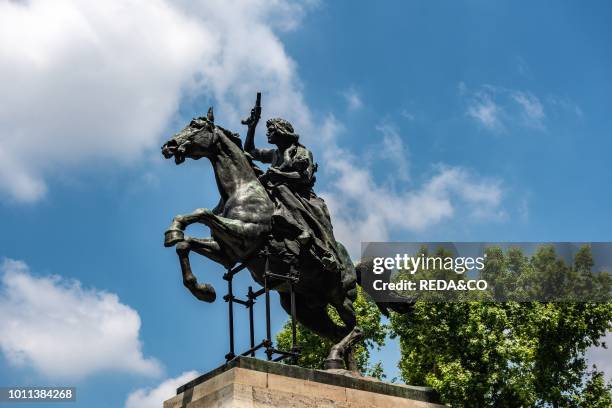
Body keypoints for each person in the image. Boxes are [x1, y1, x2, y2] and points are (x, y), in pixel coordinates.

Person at [242, 105, 341, 276]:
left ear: (281, 132)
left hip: (300, 195)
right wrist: (252, 126)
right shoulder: (274, 153)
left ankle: (321, 247)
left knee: (280, 189)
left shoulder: (302, 152)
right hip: (277, 190)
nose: (267, 134)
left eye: (271, 130)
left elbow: (305, 178)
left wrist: (278, 174)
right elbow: (249, 151)